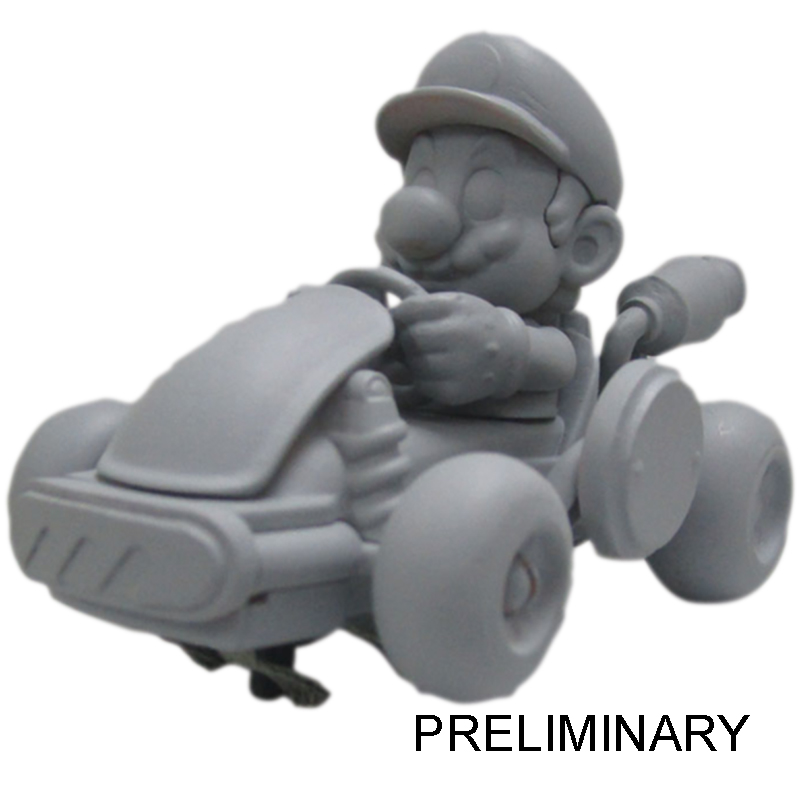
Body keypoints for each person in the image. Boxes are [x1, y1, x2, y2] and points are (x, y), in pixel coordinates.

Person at [375, 33, 624, 421]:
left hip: (516, 446)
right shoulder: (404, 319)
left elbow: (560, 362)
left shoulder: (545, 341)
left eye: (483, 193)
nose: (422, 221)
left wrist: (504, 347)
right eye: (422, 180)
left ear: (585, 246)